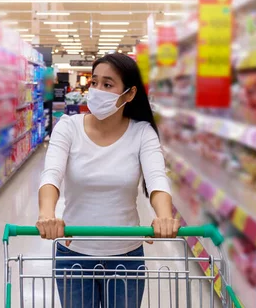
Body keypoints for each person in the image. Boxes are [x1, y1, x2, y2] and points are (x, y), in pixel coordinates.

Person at [36, 53, 180, 308]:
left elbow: (157, 178)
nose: (97, 91)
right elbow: (51, 176)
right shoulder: (68, 127)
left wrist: (164, 216)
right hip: (74, 253)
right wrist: (47, 214)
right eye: (94, 83)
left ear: (129, 94)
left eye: (108, 84)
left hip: (126, 256)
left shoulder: (141, 133)